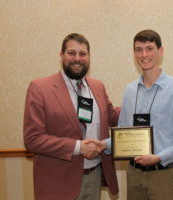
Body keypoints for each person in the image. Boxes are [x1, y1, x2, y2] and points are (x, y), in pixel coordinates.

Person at [101, 29, 173, 200]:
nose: (144, 54)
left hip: (164, 175)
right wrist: (102, 144)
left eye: (149, 48)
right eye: (138, 49)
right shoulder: (130, 90)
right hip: (134, 174)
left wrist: (160, 157)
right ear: (134, 53)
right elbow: (123, 133)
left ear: (160, 51)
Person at [23, 33, 120, 200]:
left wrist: (140, 104)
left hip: (94, 176)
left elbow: (112, 116)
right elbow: (32, 139)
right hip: (58, 182)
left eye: (82, 54)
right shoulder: (40, 88)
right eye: (71, 53)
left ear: (89, 57)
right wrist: (78, 147)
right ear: (61, 56)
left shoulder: (97, 86)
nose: (77, 58)